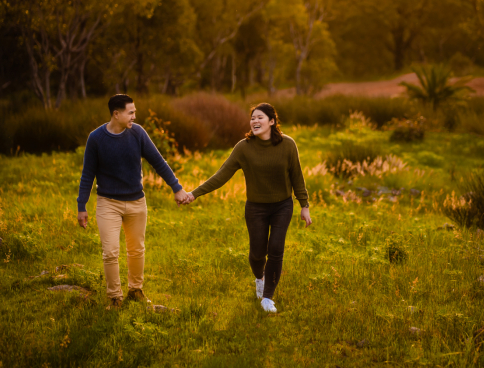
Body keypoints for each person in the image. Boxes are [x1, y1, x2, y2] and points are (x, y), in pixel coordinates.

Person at [184, 103, 311, 313]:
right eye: (252, 118)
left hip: (282, 206)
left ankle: (268, 298)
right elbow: (221, 175)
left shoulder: (288, 145)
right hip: (256, 208)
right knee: (257, 253)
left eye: (260, 117)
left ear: (272, 121)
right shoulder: (243, 147)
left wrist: (304, 205)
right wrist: (194, 193)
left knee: (276, 250)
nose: (255, 121)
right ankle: (259, 278)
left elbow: (297, 176)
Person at [77, 94, 189, 309]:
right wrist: (82, 206)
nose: (134, 117)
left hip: (137, 202)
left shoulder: (137, 133)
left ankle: (135, 291)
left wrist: (177, 188)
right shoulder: (96, 138)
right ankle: (114, 297)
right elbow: (87, 174)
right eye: (131, 112)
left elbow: (158, 161)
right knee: (110, 251)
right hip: (108, 202)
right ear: (116, 114)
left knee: (136, 250)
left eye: (134, 112)